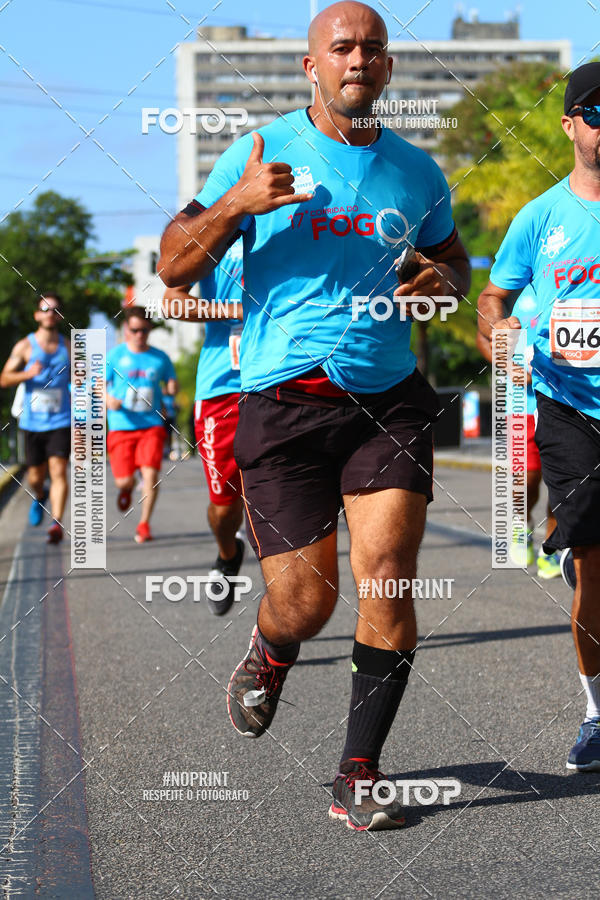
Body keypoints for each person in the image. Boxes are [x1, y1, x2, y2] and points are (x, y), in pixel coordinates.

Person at [159, 0, 470, 830]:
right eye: (341, 47)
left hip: (388, 399)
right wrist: (235, 206)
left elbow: (453, 261)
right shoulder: (257, 152)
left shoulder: (418, 172)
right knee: (306, 604)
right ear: (312, 66)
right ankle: (271, 649)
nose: (357, 58)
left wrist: (442, 283)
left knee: (389, 572)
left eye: (372, 47)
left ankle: (358, 773)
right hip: (283, 401)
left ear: (389, 67)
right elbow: (173, 267)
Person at [478, 61, 600, 771]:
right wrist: (499, 336)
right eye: (597, 113)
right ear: (569, 125)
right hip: (569, 408)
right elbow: (494, 298)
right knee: (592, 566)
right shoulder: (540, 216)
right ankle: (597, 712)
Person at [161, 238, 245, 616]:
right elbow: (172, 299)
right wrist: (235, 310)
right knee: (225, 508)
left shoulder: (297, 220)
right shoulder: (216, 230)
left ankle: (277, 628)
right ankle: (228, 554)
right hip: (223, 390)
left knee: (274, 505)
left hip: (285, 381)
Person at [476, 287, 561, 577]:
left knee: (563, 484)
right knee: (526, 481)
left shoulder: (574, 281)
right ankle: (521, 525)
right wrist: (506, 364)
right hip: (521, 407)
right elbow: (483, 337)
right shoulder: (512, 290)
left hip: (563, 404)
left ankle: (552, 549)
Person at [0, 293, 70, 543]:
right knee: (35, 478)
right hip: (33, 423)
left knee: (59, 471)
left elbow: (83, 378)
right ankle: (40, 495)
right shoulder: (25, 346)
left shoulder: (68, 346)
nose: (50, 314)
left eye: (55, 310)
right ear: (37, 315)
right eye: (45, 309)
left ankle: (56, 523)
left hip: (61, 420)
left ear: (60, 316)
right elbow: (4, 378)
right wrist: (27, 374)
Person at [106, 306, 178, 543]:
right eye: (135, 330)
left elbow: (171, 382)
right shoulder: (115, 356)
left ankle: (144, 524)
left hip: (151, 425)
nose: (139, 335)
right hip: (121, 425)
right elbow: (97, 385)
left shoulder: (160, 357)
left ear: (149, 330)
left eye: (144, 331)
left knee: (151, 475)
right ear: (127, 329)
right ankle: (128, 486)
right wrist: (108, 399)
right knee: (123, 480)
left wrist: (172, 388)